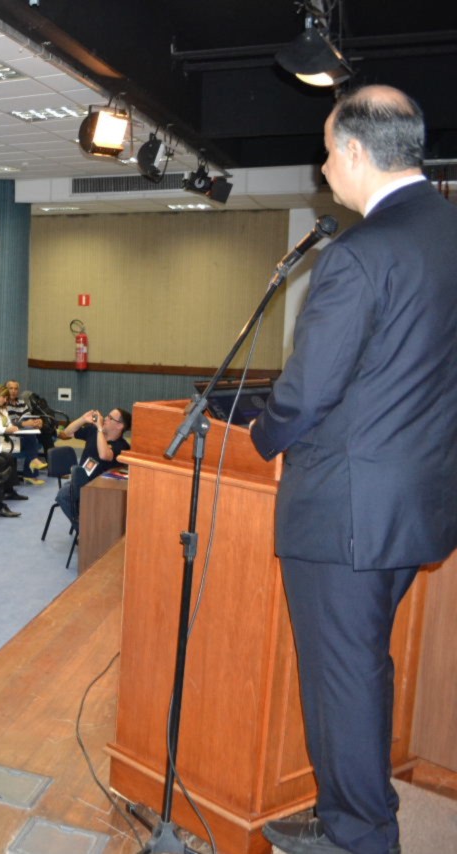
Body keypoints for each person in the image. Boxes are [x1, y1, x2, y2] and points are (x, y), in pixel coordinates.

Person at [249, 86, 457, 854]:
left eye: (328, 151)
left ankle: (360, 836)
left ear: (358, 153)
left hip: (348, 511)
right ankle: (348, 810)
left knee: (343, 678)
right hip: (419, 501)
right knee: (360, 668)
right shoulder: (448, 232)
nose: (324, 166)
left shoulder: (361, 254)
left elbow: (305, 394)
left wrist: (264, 435)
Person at [54, 408, 130, 526]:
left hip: (101, 488)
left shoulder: (122, 446)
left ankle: (86, 524)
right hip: (81, 482)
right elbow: (67, 432)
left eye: (110, 418)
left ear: (119, 425)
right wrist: (83, 419)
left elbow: (104, 455)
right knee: (63, 495)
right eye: (107, 416)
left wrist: (100, 429)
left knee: (76, 497)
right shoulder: (93, 431)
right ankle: (82, 527)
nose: (105, 418)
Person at [0, 384, 45, 482]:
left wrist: (13, 428)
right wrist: (6, 430)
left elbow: (8, 424)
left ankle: (32, 465)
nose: (5, 400)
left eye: (6, 398)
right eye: (3, 397)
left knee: (31, 436)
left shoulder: (2, 409)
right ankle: (31, 470)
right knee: (30, 442)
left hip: (7, 439)